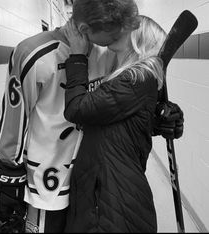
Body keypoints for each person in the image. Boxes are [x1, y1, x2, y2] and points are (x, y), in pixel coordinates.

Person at [0, 0, 183, 233]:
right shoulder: (33, 53)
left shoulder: (109, 52)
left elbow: (122, 105)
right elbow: (14, 121)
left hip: (91, 187)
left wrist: (158, 115)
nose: (125, 34)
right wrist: (6, 170)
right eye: (117, 30)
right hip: (48, 187)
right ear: (85, 29)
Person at [62, 15, 179, 233]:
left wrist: (77, 55)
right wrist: (161, 117)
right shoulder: (135, 78)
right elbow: (125, 121)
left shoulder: (135, 79)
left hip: (111, 199)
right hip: (109, 189)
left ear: (137, 39)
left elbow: (77, 109)